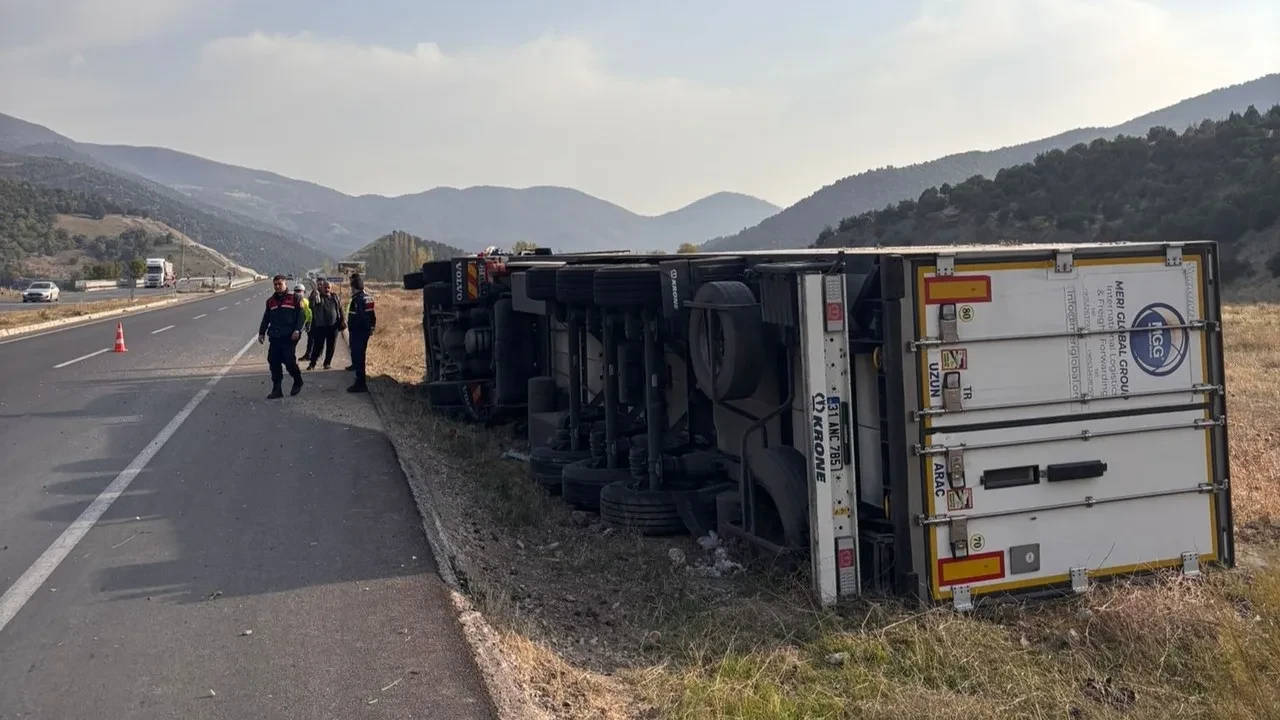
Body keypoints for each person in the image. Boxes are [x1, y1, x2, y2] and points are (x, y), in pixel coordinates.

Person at [258, 274, 305, 399]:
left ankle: (297, 380)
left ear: (285, 284)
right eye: (275, 284)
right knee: (273, 361)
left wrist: (297, 330)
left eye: (280, 284)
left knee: (289, 361)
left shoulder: (295, 298)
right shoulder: (270, 301)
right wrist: (261, 332)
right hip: (275, 336)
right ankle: (277, 389)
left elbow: (301, 316)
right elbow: (266, 318)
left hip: (289, 337)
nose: (277, 286)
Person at [344, 273, 376, 393]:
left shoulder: (357, 300)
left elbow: (359, 317)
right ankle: (360, 381)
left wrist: (353, 329)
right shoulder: (368, 298)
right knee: (360, 356)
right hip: (365, 332)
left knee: (359, 357)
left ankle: (360, 383)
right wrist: (371, 327)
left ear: (354, 288)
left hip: (358, 332)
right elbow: (372, 315)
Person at [305, 278, 344, 370]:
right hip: (321, 326)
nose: (327, 289)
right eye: (325, 287)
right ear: (321, 288)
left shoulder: (334, 297)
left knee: (331, 346)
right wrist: (314, 297)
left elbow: (340, 309)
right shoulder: (317, 297)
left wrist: (343, 320)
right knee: (317, 346)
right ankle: (312, 364)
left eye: (328, 287)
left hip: (333, 326)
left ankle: (327, 363)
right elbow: (311, 306)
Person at [294, 282, 313, 361]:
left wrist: (308, 322)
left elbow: (308, 313)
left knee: (293, 343)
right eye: (297, 291)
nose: (299, 293)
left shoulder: (305, 301)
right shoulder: (294, 301)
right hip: (293, 325)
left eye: (300, 291)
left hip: (299, 325)